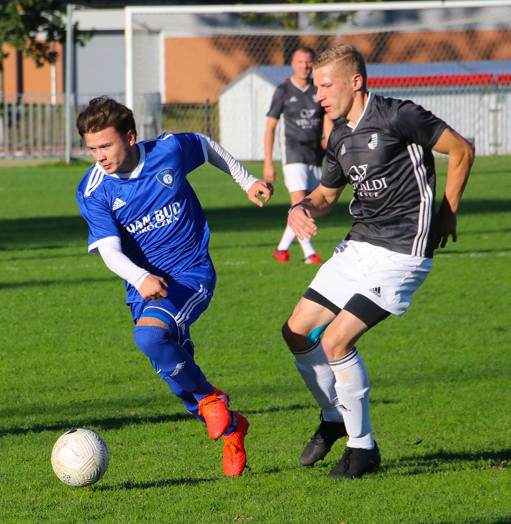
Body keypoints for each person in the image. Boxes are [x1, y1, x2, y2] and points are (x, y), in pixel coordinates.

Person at [282, 45, 474, 479]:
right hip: (360, 246)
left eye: (326, 85)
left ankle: (363, 448)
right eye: (315, 86)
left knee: (335, 341)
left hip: (403, 251)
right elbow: (327, 196)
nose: (319, 95)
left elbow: (461, 150)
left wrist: (448, 210)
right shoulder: (339, 137)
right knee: (295, 330)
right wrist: (301, 209)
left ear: (356, 81)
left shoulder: (398, 115)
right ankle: (334, 418)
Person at [75, 97, 273, 477]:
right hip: (145, 287)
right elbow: (110, 252)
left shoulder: (168, 151)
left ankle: (211, 399)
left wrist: (245, 181)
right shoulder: (93, 190)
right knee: (172, 367)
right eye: (92, 148)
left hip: (190, 272)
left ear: (130, 137)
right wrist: (140, 278)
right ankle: (231, 427)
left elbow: (206, 145)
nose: (99, 155)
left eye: (106, 145)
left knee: (150, 339)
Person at [264, 46, 333, 265]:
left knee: (309, 205)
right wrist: (268, 163)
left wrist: (331, 145)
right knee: (299, 203)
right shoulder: (283, 91)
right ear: (293, 64)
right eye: (300, 62)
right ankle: (309, 253)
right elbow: (270, 128)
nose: (305, 66)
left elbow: (327, 121)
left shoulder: (318, 90)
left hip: (315, 157)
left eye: (309, 62)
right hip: (293, 155)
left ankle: (282, 249)